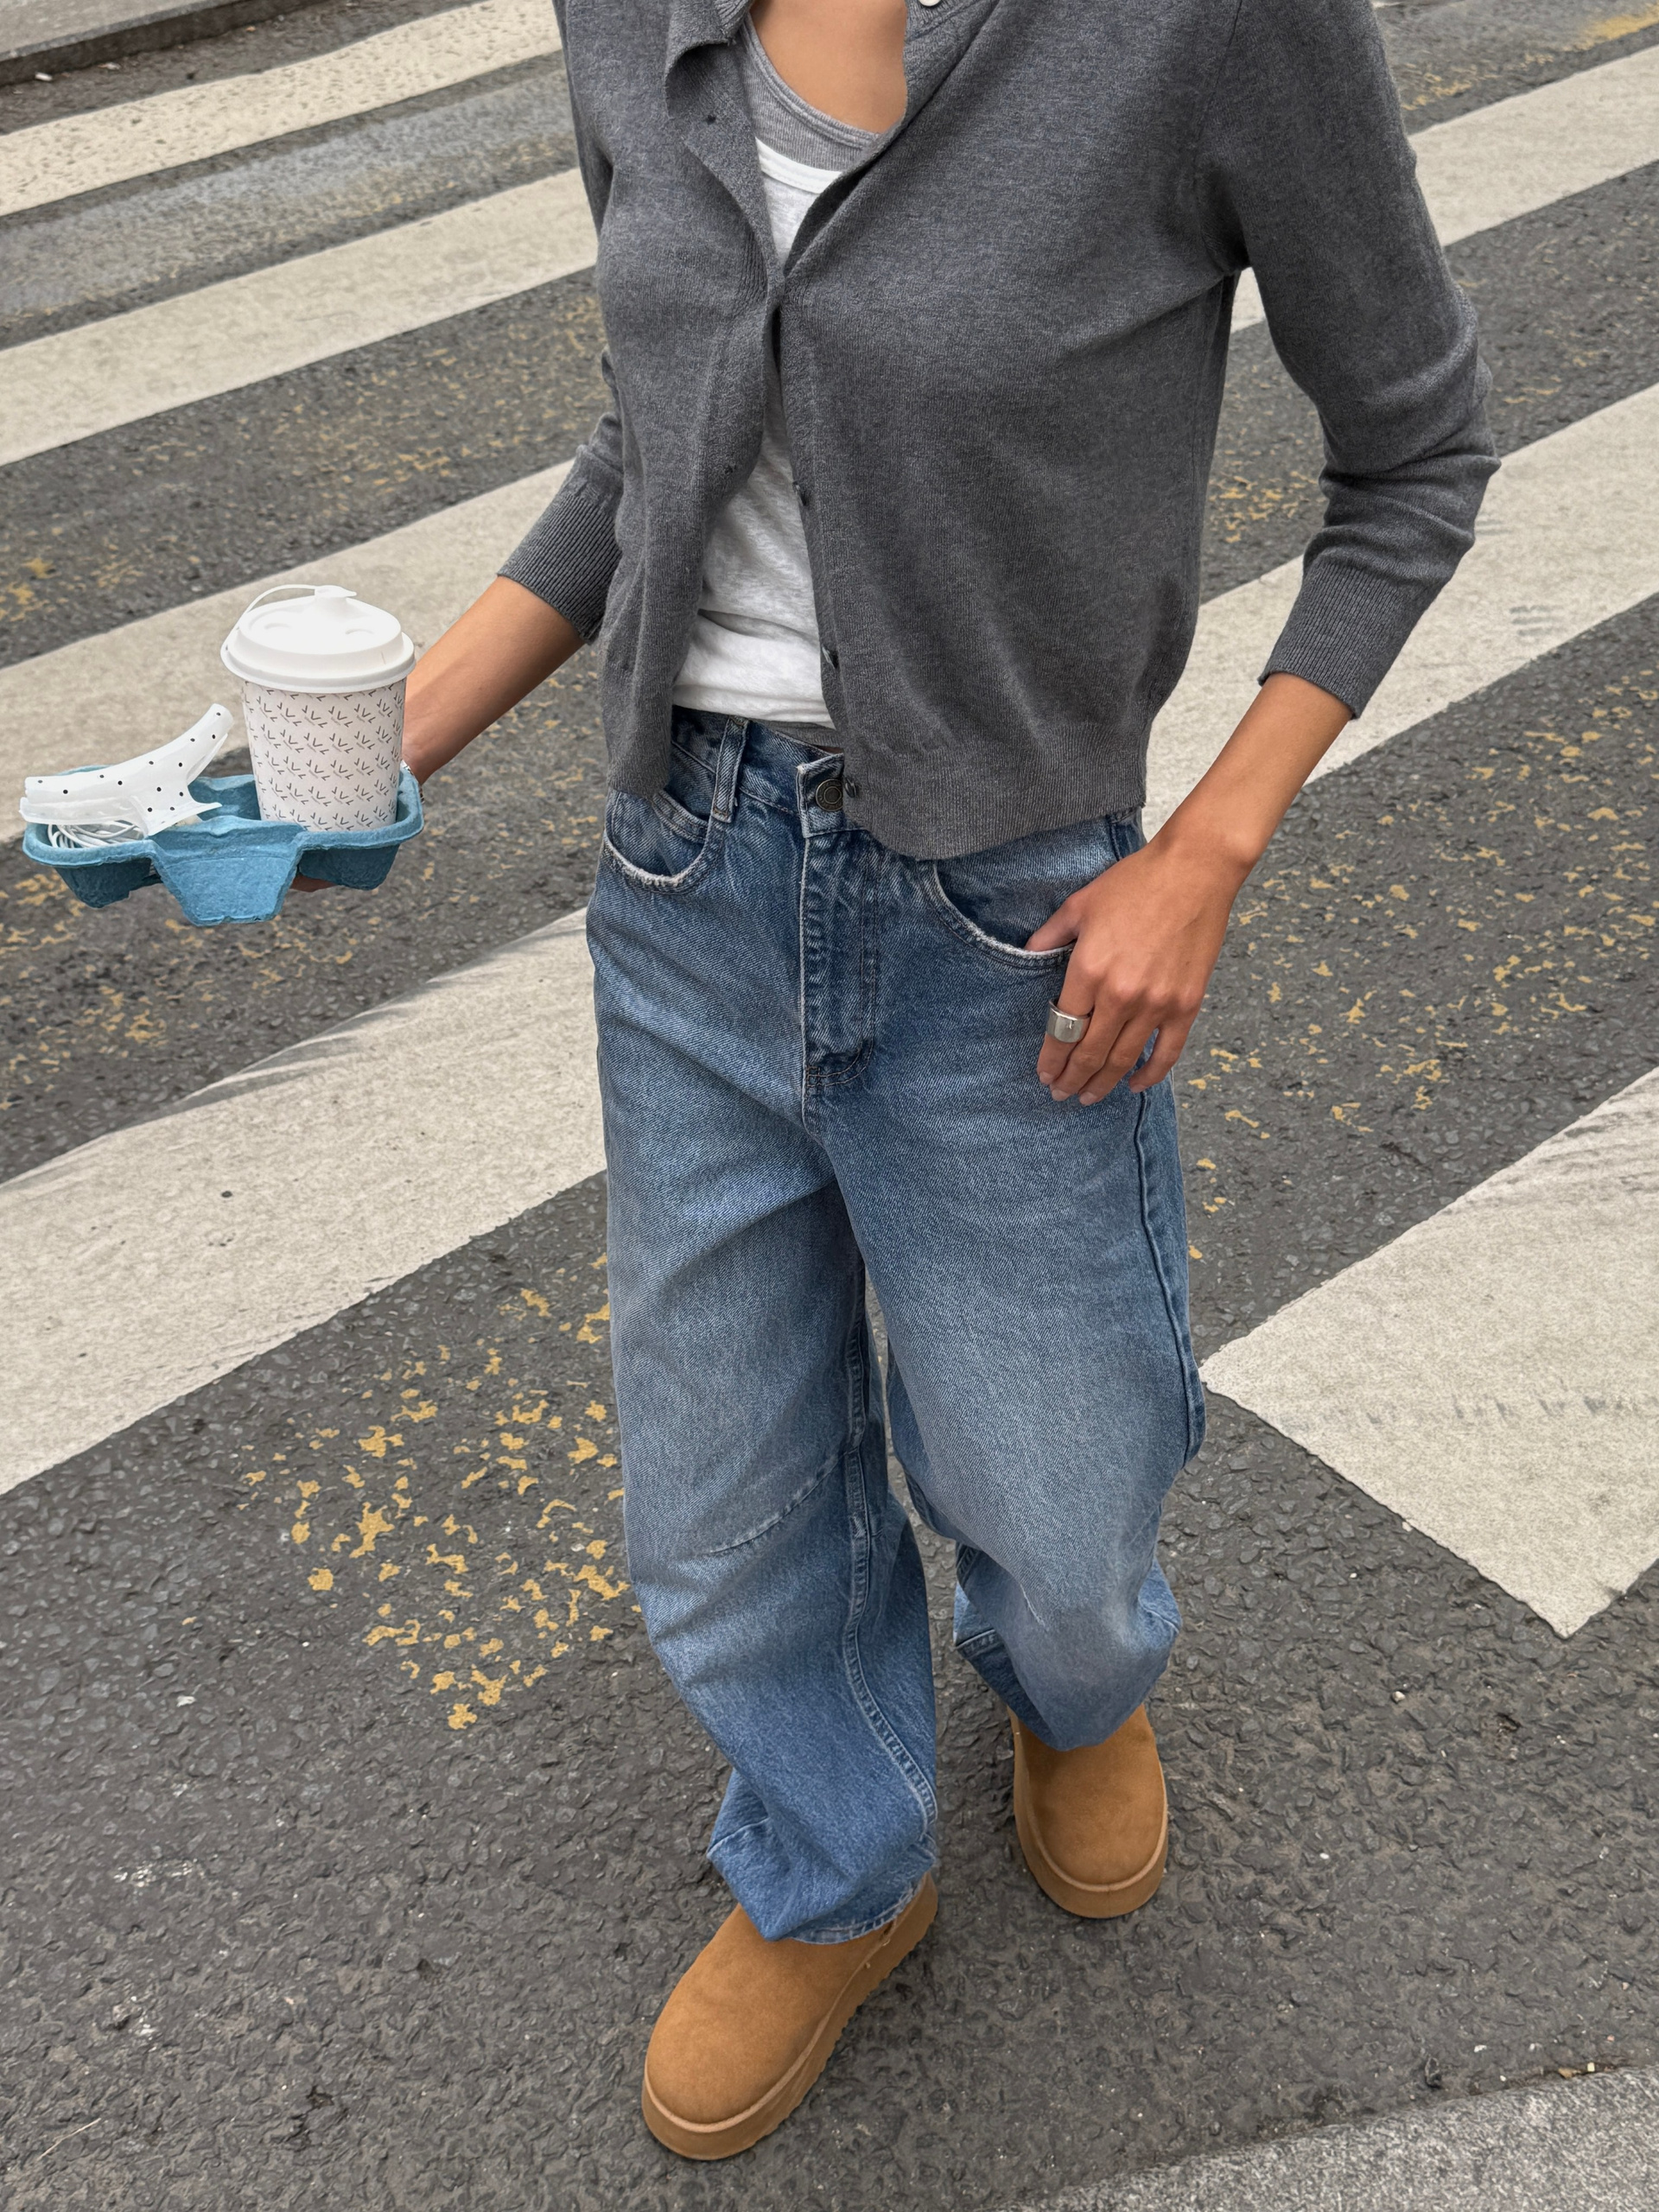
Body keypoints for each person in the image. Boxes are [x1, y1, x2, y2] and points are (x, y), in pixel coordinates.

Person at [398, 0, 1495, 2160]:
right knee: (720, 1516)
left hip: (1013, 919)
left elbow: (1417, 460)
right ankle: (838, 1862)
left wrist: (1203, 854)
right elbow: (658, 428)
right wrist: (376, 747)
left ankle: (1075, 1691)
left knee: (1062, 1514)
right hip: (687, 877)